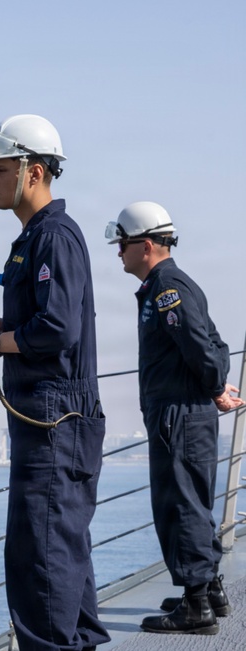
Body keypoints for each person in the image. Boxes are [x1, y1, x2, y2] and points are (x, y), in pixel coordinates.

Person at [0, 115, 109, 651]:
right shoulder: (38, 237)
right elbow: (48, 319)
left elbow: (58, 329)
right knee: (62, 550)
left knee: (41, 557)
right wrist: (6, 326)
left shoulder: (53, 236)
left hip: (54, 421)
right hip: (50, 417)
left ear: (34, 172)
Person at [106, 201, 243, 635]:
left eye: (123, 244)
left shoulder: (167, 288)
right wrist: (215, 386)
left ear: (146, 245)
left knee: (179, 505)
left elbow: (204, 351)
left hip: (178, 414)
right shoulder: (177, 284)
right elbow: (215, 342)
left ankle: (196, 606)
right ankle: (209, 589)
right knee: (194, 501)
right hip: (185, 412)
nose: (118, 252)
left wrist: (212, 385)